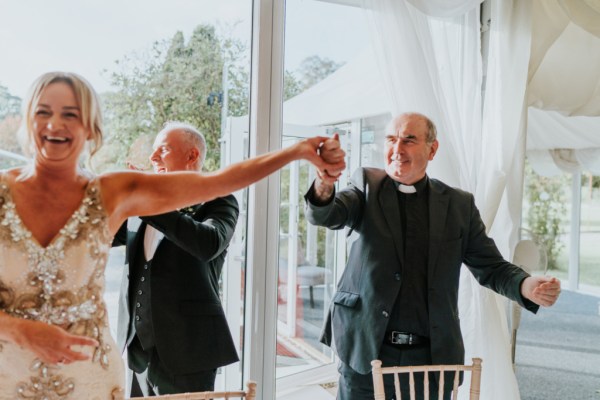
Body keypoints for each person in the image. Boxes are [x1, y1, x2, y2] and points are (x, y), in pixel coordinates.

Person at [0, 71, 344, 399]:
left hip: (180, 351)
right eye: (43, 111)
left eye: (71, 114)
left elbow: (216, 205)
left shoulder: (125, 192)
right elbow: (93, 241)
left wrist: (298, 151)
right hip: (121, 351)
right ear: (27, 119)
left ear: (90, 128)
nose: (56, 124)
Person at [304, 112, 561, 400]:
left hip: (430, 357)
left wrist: (526, 285)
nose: (397, 149)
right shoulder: (365, 185)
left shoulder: (458, 205)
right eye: (392, 139)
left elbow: (491, 266)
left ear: (432, 149)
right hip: (366, 349)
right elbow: (327, 214)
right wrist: (325, 183)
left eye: (409, 140)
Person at [112, 122, 240, 396]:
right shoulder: (141, 208)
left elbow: (209, 243)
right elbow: (100, 237)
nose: (152, 157)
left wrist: (149, 201)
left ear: (192, 156)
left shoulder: (218, 199)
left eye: (163, 150)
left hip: (189, 353)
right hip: (137, 349)